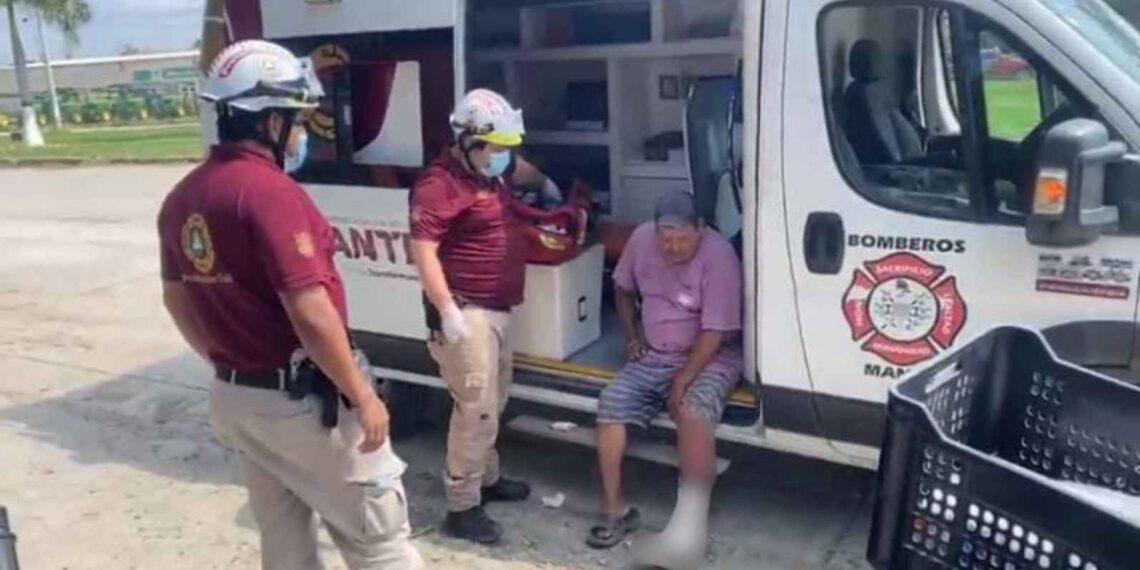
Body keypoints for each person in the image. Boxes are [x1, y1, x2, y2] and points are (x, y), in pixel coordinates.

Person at [158, 40, 422, 570]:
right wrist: (362, 394)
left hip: (237, 397)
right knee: (380, 541)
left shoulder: (182, 198)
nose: (302, 132)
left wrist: (225, 360)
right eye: (297, 119)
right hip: (300, 405)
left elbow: (177, 300)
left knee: (285, 548)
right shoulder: (269, 193)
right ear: (269, 120)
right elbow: (310, 310)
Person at [409, 88, 561, 545]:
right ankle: (462, 506)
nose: (503, 159)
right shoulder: (440, 185)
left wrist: (550, 185)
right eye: (496, 150)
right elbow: (423, 253)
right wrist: (447, 309)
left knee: (492, 405)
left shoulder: (487, 169)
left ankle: (486, 480)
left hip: (493, 310)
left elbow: (519, 167)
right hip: (466, 311)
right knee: (475, 411)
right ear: (470, 143)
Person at [586, 192, 743, 569]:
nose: (671, 246)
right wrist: (632, 336)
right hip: (656, 353)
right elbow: (622, 289)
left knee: (693, 412)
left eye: (681, 238)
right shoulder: (642, 239)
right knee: (611, 403)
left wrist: (682, 380)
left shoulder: (719, 255)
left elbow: (716, 331)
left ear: (701, 229)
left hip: (711, 356)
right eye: (665, 238)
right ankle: (614, 511)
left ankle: (688, 534)